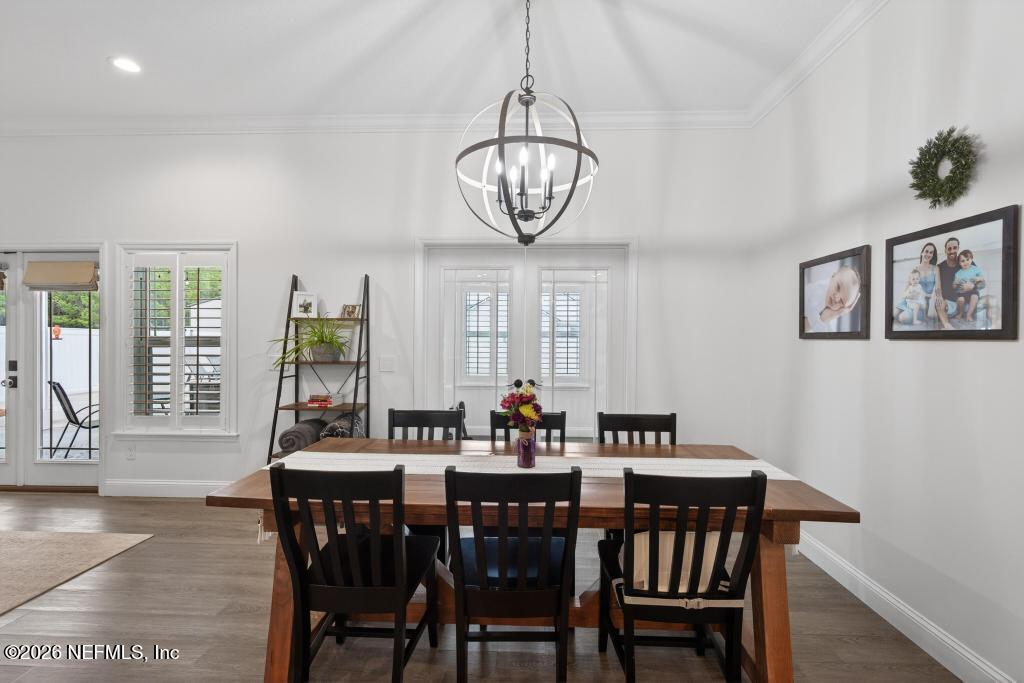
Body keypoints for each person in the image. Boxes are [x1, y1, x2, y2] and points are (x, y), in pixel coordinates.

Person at [894, 242, 939, 325]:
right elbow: (908, 286)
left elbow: (938, 288)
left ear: (933, 255)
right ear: (922, 252)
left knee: (903, 318)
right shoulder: (915, 269)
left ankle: (907, 315)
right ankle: (902, 312)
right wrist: (907, 295)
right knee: (893, 316)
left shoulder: (935, 269)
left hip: (920, 305)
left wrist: (939, 298)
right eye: (926, 251)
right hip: (909, 300)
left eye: (931, 252)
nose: (928, 254)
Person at [953, 249, 984, 321]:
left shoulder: (975, 269)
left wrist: (976, 279)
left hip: (973, 291)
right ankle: (960, 313)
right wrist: (956, 283)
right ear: (959, 263)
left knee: (975, 296)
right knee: (960, 299)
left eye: (967, 259)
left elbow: (982, 279)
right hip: (962, 292)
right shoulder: (958, 273)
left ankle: (969, 315)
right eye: (962, 261)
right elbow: (954, 286)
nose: (965, 262)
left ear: (971, 259)